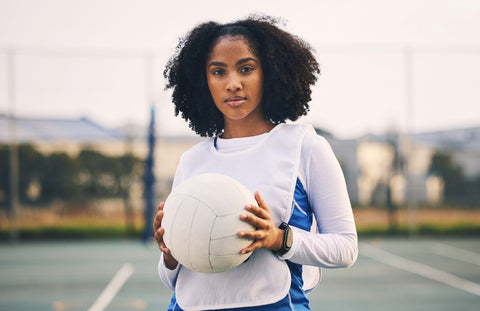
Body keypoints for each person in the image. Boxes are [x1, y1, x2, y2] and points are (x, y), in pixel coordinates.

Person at [153, 15, 358, 311]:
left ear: (270, 73)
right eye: (219, 72)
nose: (233, 84)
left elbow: (345, 248)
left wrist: (278, 238)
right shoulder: (192, 160)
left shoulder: (305, 146)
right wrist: (170, 254)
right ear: (204, 81)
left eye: (246, 69)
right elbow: (173, 279)